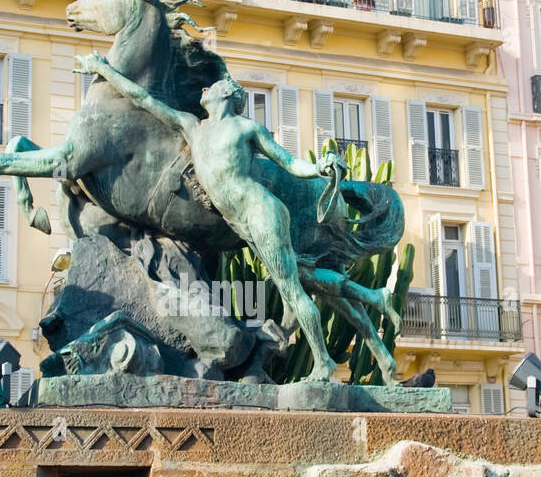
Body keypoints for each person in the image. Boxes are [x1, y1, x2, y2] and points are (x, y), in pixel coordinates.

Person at [75, 52, 398, 381]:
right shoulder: (193, 127)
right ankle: (373, 296)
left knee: (292, 289)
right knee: (305, 276)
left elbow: (289, 164)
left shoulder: (247, 128)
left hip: (260, 212)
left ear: (226, 95)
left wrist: (318, 168)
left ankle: (323, 363)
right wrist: (102, 68)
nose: (204, 90)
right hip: (238, 222)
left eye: (211, 87)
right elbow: (144, 98)